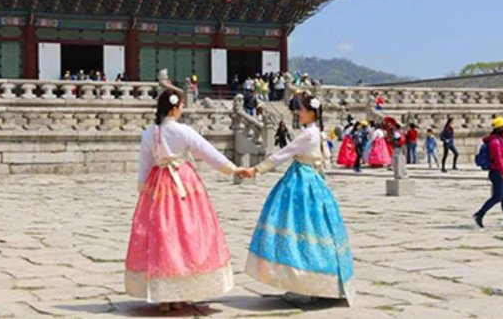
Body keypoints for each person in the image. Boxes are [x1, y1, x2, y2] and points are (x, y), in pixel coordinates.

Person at [125, 89, 248, 310]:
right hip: (183, 183)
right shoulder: (183, 131)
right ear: (174, 108)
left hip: (158, 185)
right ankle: (180, 292)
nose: (182, 109)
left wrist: (143, 190)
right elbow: (207, 152)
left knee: (162, 235)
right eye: (181, 105)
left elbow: (144, 165)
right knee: (185, 234)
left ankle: (164, 297)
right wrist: (232, 169)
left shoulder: (149, 133)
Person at [242, 93, 355, 305]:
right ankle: (321, 282)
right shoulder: (319, 133)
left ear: (311, 113)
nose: (297, 113)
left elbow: (282, 154)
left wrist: (256, 169)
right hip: (314, 180)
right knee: (316, 229)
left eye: (301, 110)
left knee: (296, 228)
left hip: (300, 183)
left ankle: (301, 282)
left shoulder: (307, 135)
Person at [474, 117, 503, 228]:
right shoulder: (494, 142)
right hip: (497, 172)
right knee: (497, 196)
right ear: (501, 128)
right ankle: (479, 214)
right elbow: (498, 159)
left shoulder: (501, 140)